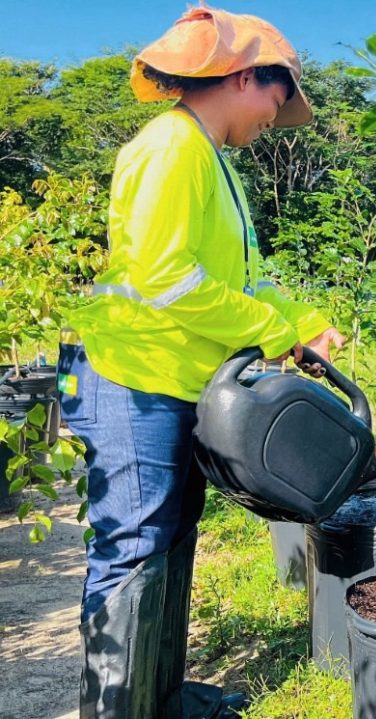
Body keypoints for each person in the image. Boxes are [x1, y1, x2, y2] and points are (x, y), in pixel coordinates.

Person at [56, 6, 344, 718]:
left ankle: (162, 697)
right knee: (134, 550)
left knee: (172, 540)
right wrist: (269, 330)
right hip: (133, 381)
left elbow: (247, 278)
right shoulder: (170, 147)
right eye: (276, 101)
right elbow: (165, 277)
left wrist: (302, 325)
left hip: (176, 382)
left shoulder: (217, 166)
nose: (274, 121)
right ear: (244, 75)